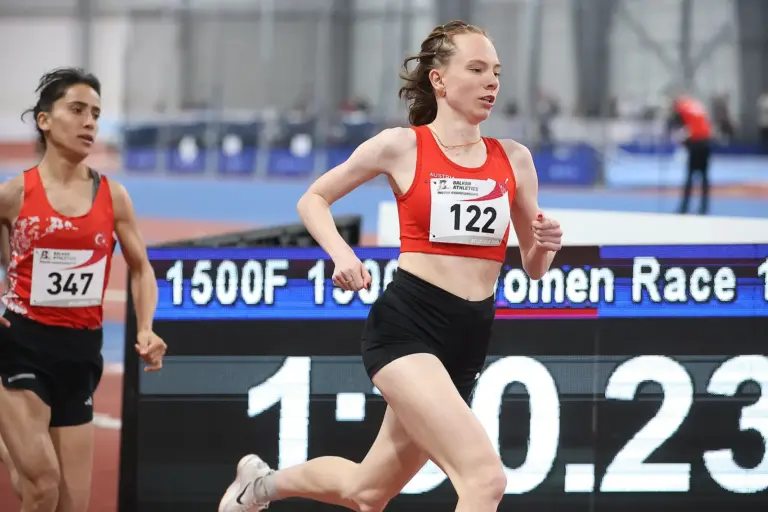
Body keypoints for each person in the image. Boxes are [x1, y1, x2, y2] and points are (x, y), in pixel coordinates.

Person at [218, 21, 563, 512]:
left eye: (497, 72)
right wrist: (343, 254)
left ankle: (261, 485)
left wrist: (545, 244)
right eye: (477, 69)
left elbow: (533, 267)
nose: (492, 82)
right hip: (408, 329)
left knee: (367, 492)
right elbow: (314, 199)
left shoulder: (514, 159)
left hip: (468, 340)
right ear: (439, 80)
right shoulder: (401, 146)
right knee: (484, 479)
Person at [0, 67, 167, 512]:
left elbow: (140, 269)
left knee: (71, 503)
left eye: (95, 113)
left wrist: (147, 327)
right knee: (42, 485)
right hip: (20, 345)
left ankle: (11, 449)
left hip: (80, 353)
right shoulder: (14, 194)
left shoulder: (114, 197)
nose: (90, 122)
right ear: (44, 120)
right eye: (77, 110)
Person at [668, 93, 713, 215]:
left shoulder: (682, 109)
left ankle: (684, 207)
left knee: (690, 175)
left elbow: (676, 126)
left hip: (695, 143)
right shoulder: (698, 106)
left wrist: (676, 138)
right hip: (706, 142)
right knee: (704, 176)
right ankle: (704, 207)